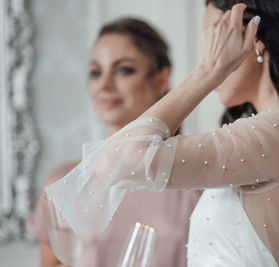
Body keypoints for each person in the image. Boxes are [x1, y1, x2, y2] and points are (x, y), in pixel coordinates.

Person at [46, 1, 279, 266]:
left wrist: (207, 73)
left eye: (214, 38)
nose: (209, 54)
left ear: (254, 40)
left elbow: (120, 161)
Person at [26, 17, 200, 267]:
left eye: (124, 70)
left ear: (161, 80)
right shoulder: (63, 184)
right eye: (96, 72)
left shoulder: (195, 185)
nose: (104, 86)